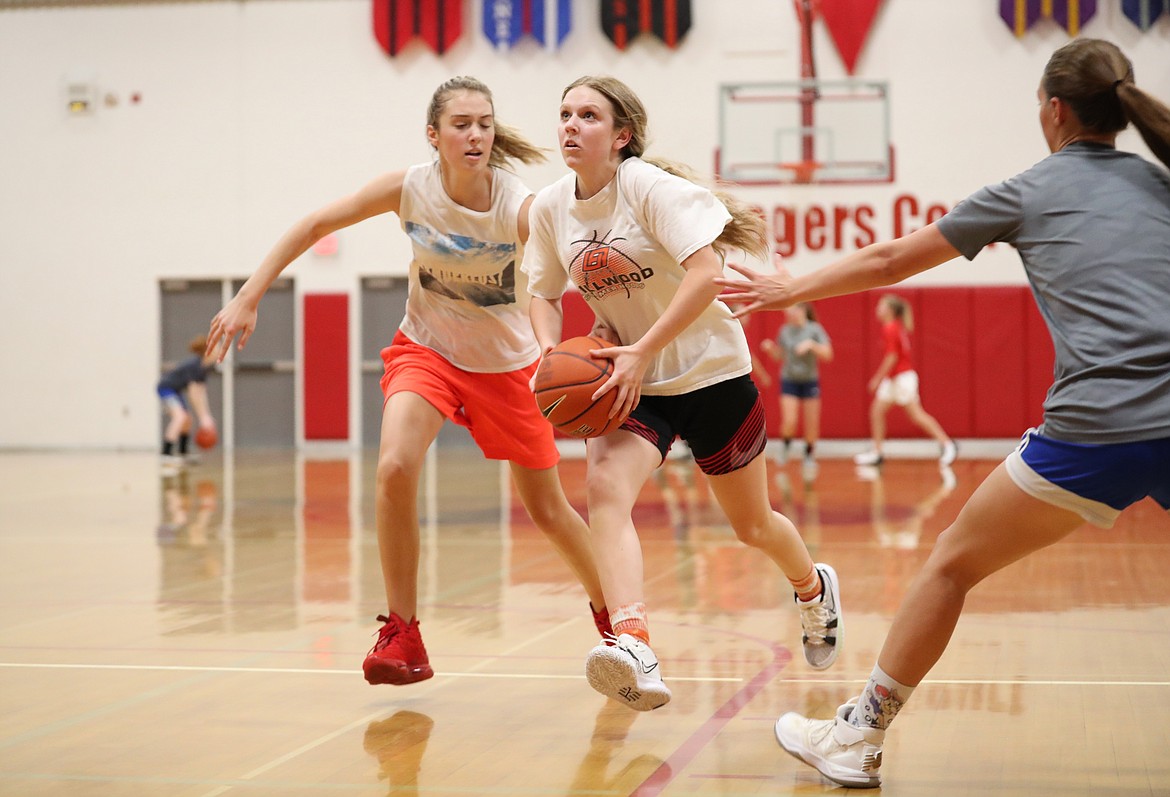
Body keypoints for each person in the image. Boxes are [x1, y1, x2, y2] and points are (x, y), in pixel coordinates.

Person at [716, 38, 1170, 788]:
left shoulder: (1027, 189)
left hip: (1100, 425)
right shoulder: (1159, 185)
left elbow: (890, 261)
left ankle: (857, 735)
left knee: (953, 563)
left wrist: (787, 292)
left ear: (1053, 111)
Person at [205, 76, 611, 687]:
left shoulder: (517, 205)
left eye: (484, 123)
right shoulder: (410, 189)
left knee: (550, 511)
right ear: (434, 135)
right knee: (394, 466)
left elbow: (576, 262)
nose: (475, 134)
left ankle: (619, 625)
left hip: (508, 368)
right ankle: (404, 632)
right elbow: (316, 224)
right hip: (428, 351)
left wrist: (613, 325)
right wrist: (248, 295)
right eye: (461, 124)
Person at [522, 75, 843, 712]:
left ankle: (813, 589)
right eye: (564, 114)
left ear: (621, 136)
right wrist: (548, 354)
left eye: (588, 115)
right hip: (626, 379)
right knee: (607, 488)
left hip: (711, 371)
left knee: (752, 525)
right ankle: (633, 642)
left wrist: (646, 347)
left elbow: (705, 272)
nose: (570, 125)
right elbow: (542, 293)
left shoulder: (649, 189)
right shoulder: (551, 208)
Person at [852, 294, 956, 469]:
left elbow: (892, 357)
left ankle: (947, 444)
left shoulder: (890, 328)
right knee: (877, 411)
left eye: (881, 305)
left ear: (890, 310)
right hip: (894, 378)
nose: (877, 308)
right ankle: (877, 453)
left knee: (916, 415)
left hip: (902, 378)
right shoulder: (893, 327)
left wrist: (877, 379)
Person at [756, 302, 833, 480]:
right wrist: (771, 349)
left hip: (809, 381)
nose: (788, 313)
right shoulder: (785, 330)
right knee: (790, 420)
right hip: (789, 380)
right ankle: (786, 446)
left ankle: (808, 454)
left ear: (801, 310)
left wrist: (812, 345)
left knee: (811, 422)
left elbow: (828, 354)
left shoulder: (814, 329)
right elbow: (780, 355)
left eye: (790, 310)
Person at [157, 334, 217, 474]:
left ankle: (183, 452)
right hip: (166, 388)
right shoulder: (194, 365)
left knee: (187, 419)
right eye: (217, 348)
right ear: (209, 350)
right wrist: (203, 418)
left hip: (175, 391)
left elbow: (201, 393)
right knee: (180, 417)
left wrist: (206, 416)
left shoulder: (204, 367)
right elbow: (193, 394)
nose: (220, 351)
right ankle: (165, 454)